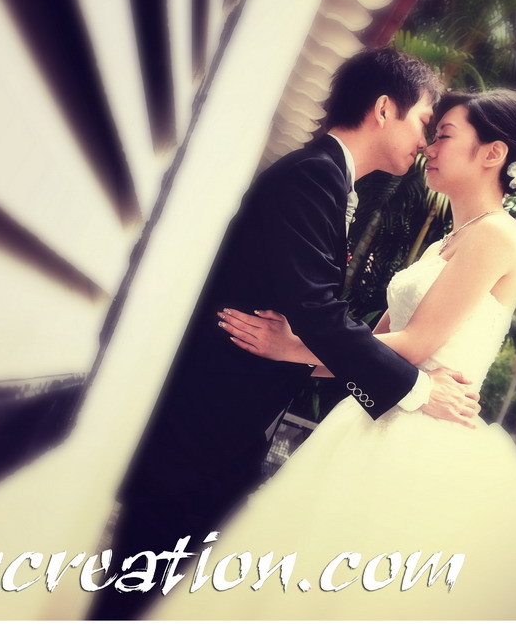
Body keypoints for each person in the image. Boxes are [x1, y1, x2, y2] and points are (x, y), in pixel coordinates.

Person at [154, 89, 516, 619]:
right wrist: (292, 351)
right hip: (376, 414)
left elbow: (415, 345)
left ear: (492, 153)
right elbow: (369, 346)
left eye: (445, 135)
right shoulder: (447, 241)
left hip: (423, 437)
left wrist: (291, 346)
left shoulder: (497, 235)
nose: (429, 147)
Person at [90, 48, 482, 621]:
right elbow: (319, 312)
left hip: (221, 436)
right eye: (425, 122)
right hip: (198, 433)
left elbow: (310, 318)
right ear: (383, 110)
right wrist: (420, 390)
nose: (426, 142)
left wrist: (293, 348)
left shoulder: (325, 178)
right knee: (132, 602)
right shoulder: (313, 177)